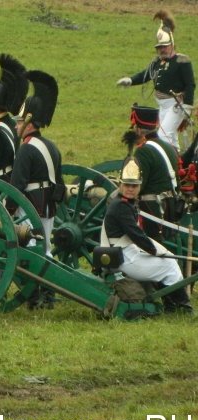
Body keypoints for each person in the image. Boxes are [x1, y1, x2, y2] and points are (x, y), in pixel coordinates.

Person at [103, 156, 194, 315]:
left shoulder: (126, 203)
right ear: (120, 185)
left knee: (169, 262)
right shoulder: (121, 207)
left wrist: (160, 252)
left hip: (129, 252)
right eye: (127, 185)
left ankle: (172, 307)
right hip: (123, 257)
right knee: (170, 267)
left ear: (139, 187)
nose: (130, 189)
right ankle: (184, 310)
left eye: (134, 186)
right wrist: (155, 251)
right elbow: (136, 235)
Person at [8, 70, 64, 309]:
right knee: (47, 248)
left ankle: (33, 295)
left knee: (30, 249)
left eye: (20, 121)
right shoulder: (51, 146)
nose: (17, 125)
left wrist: (8, 210)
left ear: (29, 123)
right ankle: (48, 295)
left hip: (29, 204)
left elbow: (17, 185)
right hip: (49, 205)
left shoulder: (26, 149)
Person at [116, 10, 195, 151]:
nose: (162, 50)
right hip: (163, 106)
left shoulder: (182, 61)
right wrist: (129, 80)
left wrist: (188, 106)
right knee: (170, 138)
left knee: (164, 135)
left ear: (172, 44)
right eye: (159, 47)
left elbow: (190, 84)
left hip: (176, 105)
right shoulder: (157, 62)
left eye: (164, 46)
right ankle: (176, 164)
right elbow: (145, 75)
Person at [124, 104, 181, 242]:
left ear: (138, 130)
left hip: (152, 209)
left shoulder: (143, 150)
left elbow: (137, 186)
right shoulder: (168, 146)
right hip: (171, 205)